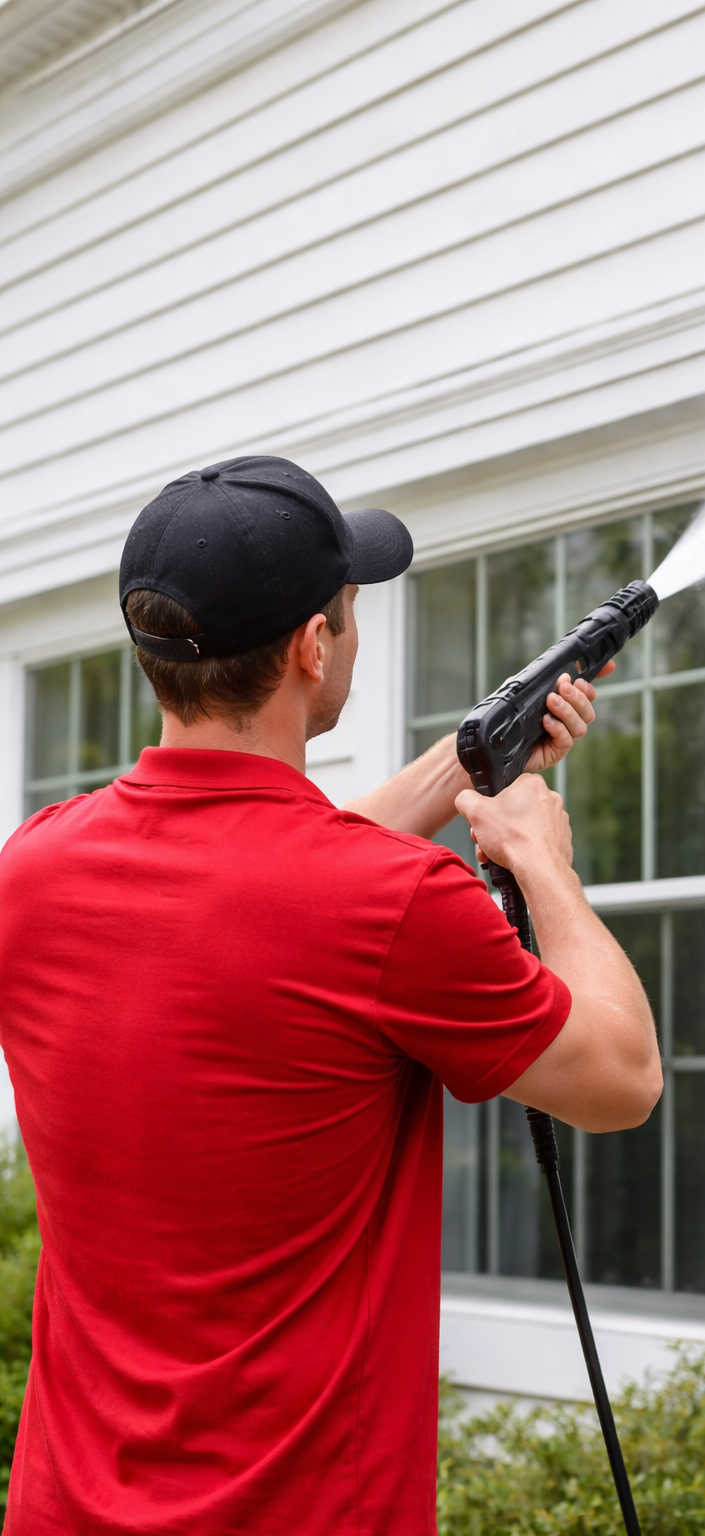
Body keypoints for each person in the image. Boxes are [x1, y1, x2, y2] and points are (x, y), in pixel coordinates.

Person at [0, 457, 661, 1535]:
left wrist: (463, 763)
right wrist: (543, 860)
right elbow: (622, 1079)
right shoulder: (399, 902)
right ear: (314, 645)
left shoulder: (31, 870)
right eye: (351, 611)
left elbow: (254, 883)